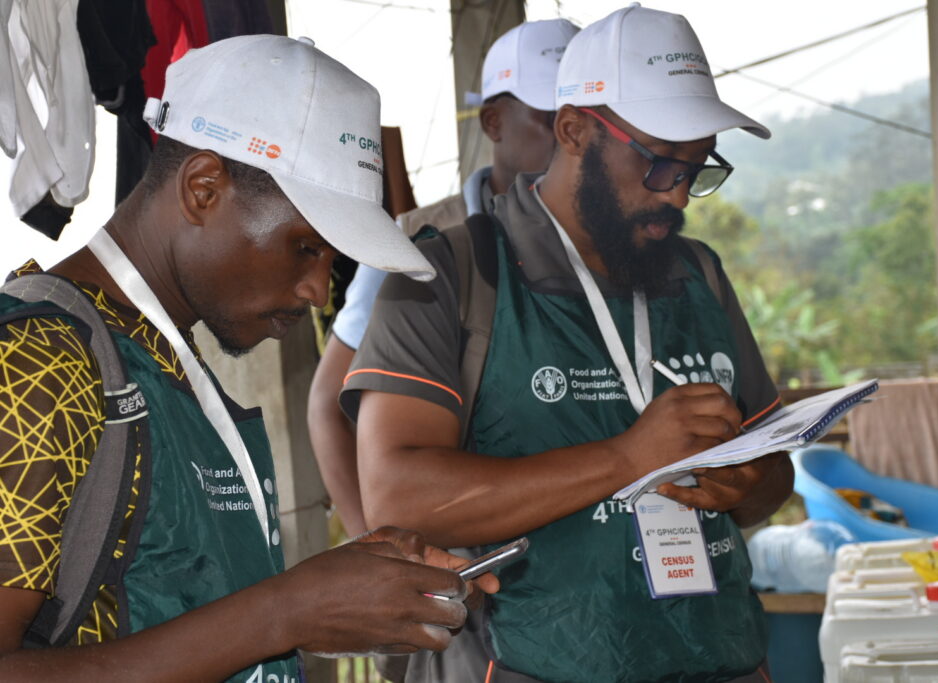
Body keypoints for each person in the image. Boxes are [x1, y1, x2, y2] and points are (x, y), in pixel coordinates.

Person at [0, 35, 497, 683]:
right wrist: (286, 611)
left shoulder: (159, 353)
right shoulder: (37, 359)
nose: (318, 291)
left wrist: (337, 590)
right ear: (203, 189)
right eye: (305, 247)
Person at [342, 6, 794, 682]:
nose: (678, 198)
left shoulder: (697, 273)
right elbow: (396, 494)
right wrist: (627, 457)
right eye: (658, 164)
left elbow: (774, 466)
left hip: (718, 659)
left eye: (697, 169)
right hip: (524, 665)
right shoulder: (449, 274)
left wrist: (747, 483)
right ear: (574, 129)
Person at [307, 18, 579, 538]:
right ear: (494, 122)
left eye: (586, 121)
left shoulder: (606, 238)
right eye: (552, 119)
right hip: (466, 545)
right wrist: (380, 550)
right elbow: (327, 404)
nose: (571, 140)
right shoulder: (415, 240)